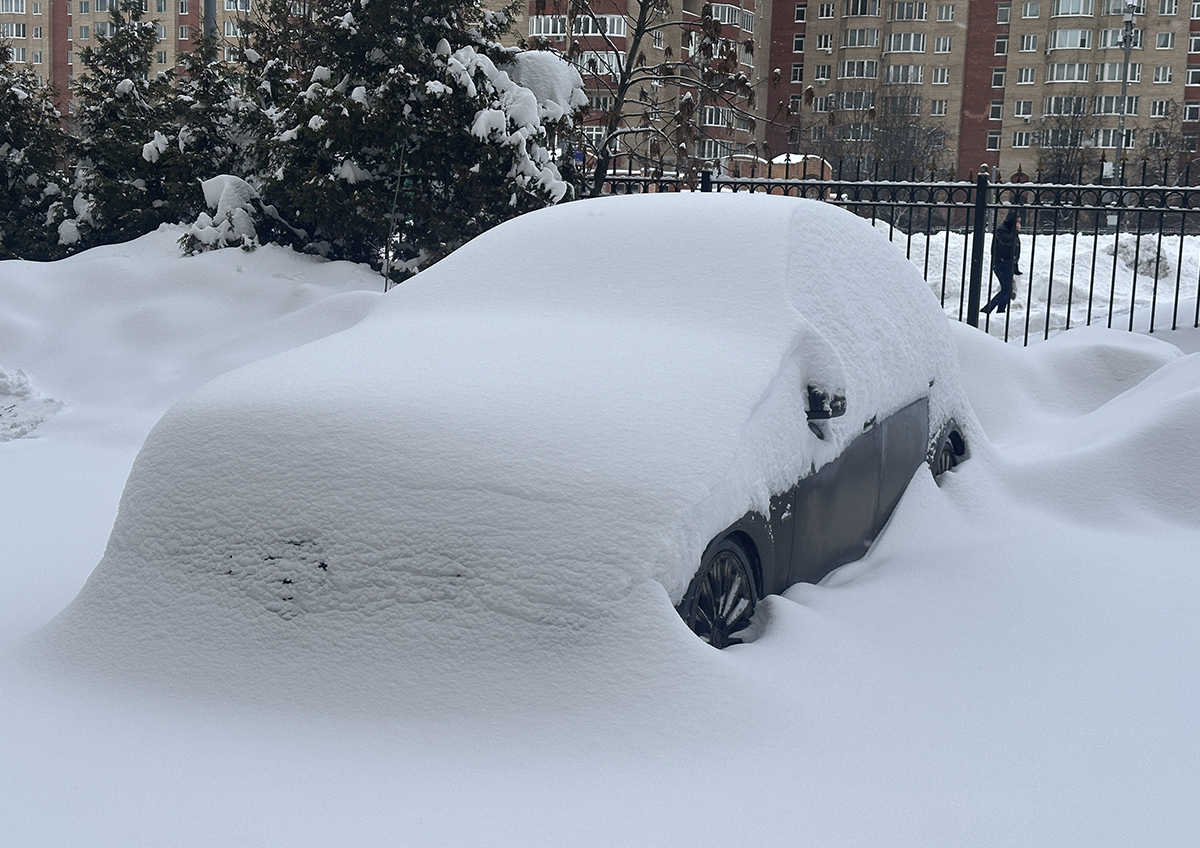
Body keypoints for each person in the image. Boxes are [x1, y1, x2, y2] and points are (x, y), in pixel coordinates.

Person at [982, 207, 1023, 314]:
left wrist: (1015, 266)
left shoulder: (1011, 232)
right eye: (1017, 221)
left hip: (1008, 265)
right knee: (1006, 289)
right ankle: (987, 309)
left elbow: (1015, 250)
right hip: (1000, 264)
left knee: (1007, 289)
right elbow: (1007, 241)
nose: (1019, 224)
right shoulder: (1002, 230)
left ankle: (1001, 311)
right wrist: (1015, 231)